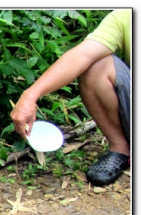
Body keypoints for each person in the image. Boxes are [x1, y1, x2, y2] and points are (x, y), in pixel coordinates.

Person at [11, 9, 130, 186]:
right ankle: (121, 149)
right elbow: (82, 55)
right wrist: (30, 95)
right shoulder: (126, 15)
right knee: (96, 66)